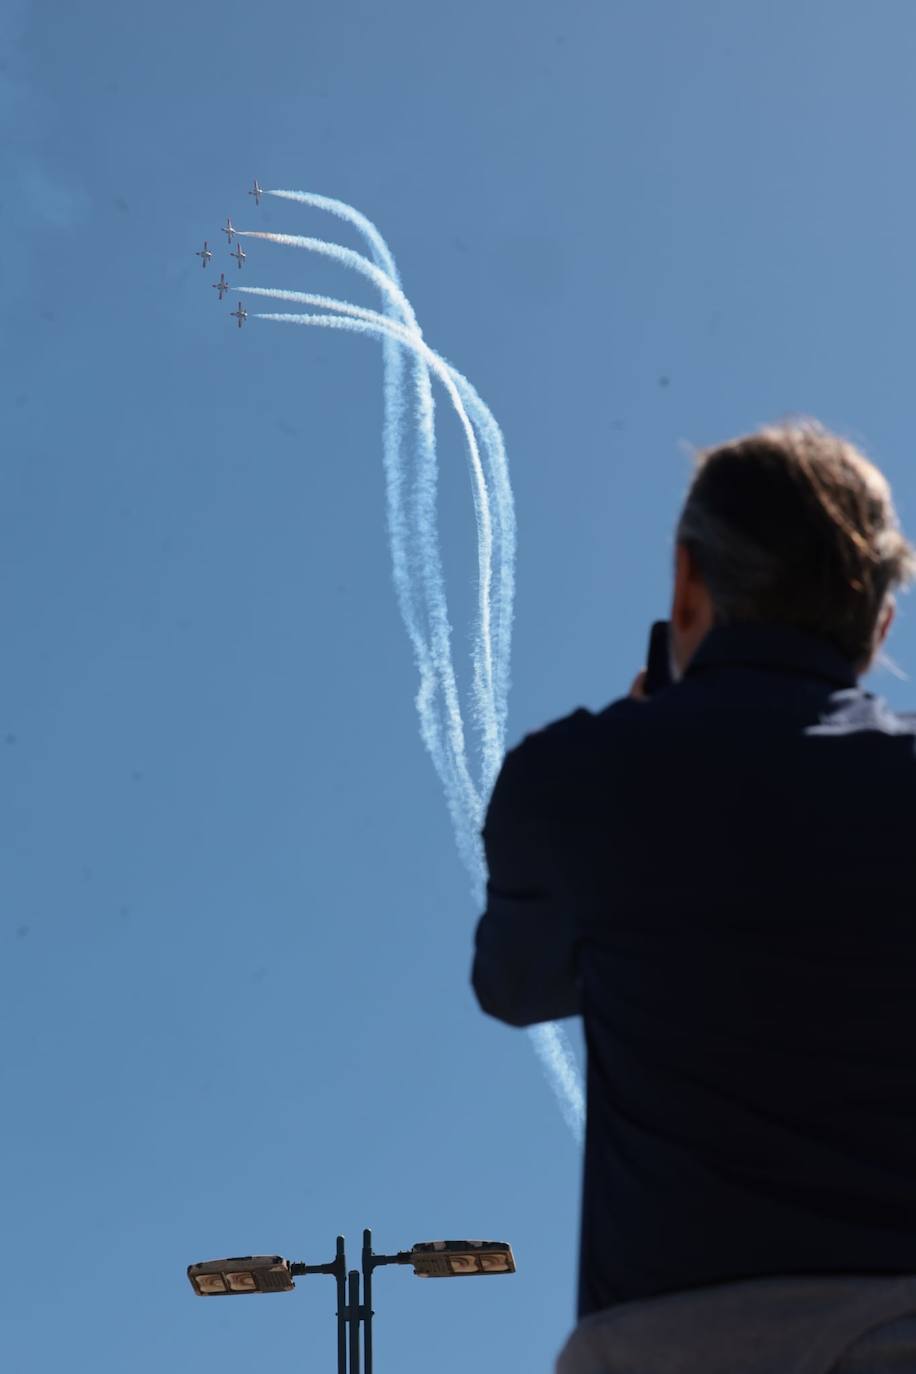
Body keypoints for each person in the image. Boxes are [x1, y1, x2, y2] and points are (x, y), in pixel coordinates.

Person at [471, 417, 916, 1374]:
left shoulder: (570, 783)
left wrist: (645, 743)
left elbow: (514, 985)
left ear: (686, 581)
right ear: (878, 624)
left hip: (668, 1347)